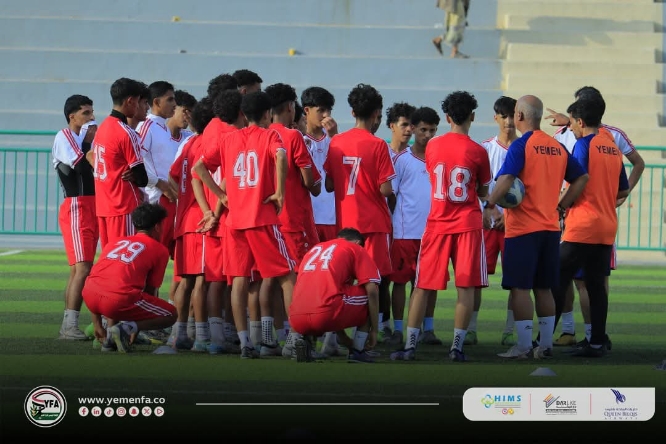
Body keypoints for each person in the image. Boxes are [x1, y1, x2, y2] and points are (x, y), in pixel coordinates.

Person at [193, 91, 297, 359]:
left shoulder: (229, 139)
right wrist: (280, 192)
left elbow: (199, 168)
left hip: (235, 221)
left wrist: (221, 195)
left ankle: (244, 343)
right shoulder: (270, 136)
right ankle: (295, 339)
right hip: (261, 218)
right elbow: (281, 157)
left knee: (239, 281)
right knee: (287, 276)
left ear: (244, 114)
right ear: (267, 114)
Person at [484, 95, 588, 359]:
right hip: (550, 229)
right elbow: (581, 177)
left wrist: (489, 204)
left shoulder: (522, 145)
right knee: (544, 288)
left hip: (522, 229)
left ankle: (522, 346)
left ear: (519, 116)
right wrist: (562, 205)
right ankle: (545, 345)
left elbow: (506, 178)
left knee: (520, 288)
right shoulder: (556, 146)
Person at [390, 91, 490, 363]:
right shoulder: (478, 151)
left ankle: (410, 346)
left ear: (447, 118)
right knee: (465, 287)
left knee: (422, 285)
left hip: (437, 223)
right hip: (467, 224)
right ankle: (457, 348)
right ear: (472, 116)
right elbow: (482, 191)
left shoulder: (433, 146)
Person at [546, 86, 644, 348]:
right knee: (596, 285)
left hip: (582, 224)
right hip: (607, 226)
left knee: (557, 277)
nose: (572, 128)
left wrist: (561, 205)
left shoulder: (583, 145)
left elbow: (579, 180)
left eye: (573, 123)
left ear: (580, 122)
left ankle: (543, 340)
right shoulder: (611, 147)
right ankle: (597, 342)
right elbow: (623, 190)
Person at [323, 83, 396, 344]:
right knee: (372, 284)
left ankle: (332, 340)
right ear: (377, 113)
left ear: (352, 112)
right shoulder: (378, 145)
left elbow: (329, 185)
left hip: (345, 226)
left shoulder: (337, 142)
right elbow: (386, 189)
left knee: (342, 283)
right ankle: (362, 341)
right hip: (373, 225)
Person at [82, 202, 177, 353]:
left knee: (118, 292)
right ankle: (125, 329)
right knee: (171, 314)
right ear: (157, 226)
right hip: (116, 300)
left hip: (89, 296)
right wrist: (135, 328)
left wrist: (97, 324)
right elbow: (150, 291)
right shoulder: (160, 249)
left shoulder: (115, 242)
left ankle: (109, 339)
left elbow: (97, 278)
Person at [168, 97, 218, 352]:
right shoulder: (207, 143)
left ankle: (178, 333)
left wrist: (182, 199)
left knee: (185, 280)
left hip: (184, 219)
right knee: (201, 279)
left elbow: (173, 175)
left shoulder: (189, 143)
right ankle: (200, 336)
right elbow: (201, 174)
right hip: (200, 218)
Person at [386, 107, 438, 347]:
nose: (428, 135)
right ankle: (398, 329)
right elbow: (392, 194)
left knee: (430, 283)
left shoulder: (439, 158)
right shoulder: (401, 159)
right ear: (414, 129)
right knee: (400, 281)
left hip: (432, 232)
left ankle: (428, 329)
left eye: (432, 130)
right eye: (423, 129)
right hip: (405, 232)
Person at [289, 228, 381, 363]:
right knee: (369, 292)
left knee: (323, 295)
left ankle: (304, 342)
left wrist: (343, 337)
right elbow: (372, 291)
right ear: (357, 242)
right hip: (325, 313)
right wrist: (374, 330)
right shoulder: (355, 248)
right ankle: (358, 351)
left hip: (296, 318)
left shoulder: (316, 249)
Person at [473, 96, 519, 347]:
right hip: (487, 224)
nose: (508, 121)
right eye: (504, 116)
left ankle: (509, 331)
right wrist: (488, 210)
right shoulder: (484, 149)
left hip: (515, 225)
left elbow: (529, 189)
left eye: (512, 116)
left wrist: (509, 215)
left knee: (516, 282)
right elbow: (476, 186)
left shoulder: (525, 148)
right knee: (477, 279)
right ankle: (470, 328)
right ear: (496, 118)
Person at [53, 94, 98, 340]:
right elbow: (81, 167)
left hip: (92, 206)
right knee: (83, 268)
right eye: (86, 113)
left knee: (80, 269)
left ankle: (68, 323)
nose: (92, 117)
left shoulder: (84, 139)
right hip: (77, 207)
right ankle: (69, 326)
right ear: (72, 116)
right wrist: (89, 142)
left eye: (92, 112)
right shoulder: (65, 136)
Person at [90, 77, 149, 247]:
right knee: (125, 259)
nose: (138, 107)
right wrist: (135, 174)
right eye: (138, 102)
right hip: (123, 206)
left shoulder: (103, 128)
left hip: (104, 207)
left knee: (110, 257)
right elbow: (142, 179)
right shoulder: (126, 133)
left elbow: (92, 156)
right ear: (130, 101)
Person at [136, 81, 179, 249]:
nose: (174, 104)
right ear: (156, 102)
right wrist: (159, 184)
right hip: (156, 198)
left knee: (163, 250)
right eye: (170, 99)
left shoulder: (164, 128)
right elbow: (136, 161)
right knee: (155, 249)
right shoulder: (147, 126)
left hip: (168, 196)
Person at [301, 86, 338, 244]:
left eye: (329, 110)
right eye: (321, 110)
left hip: (332, 216)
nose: (326, 115)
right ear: (307, 110)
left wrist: (334, 137)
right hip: (307, 218)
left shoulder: (335, 139)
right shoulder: (298, 140)